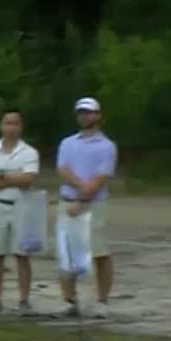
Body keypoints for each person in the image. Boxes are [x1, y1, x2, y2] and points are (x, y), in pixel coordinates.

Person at [57, 97, 119, 317]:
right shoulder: (67, 143)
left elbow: (101, 177)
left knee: (99, 251)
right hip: (68, 201)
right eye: (81, 113)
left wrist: (81, 198)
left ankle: (102, 300)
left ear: (98, 115)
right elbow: (63, 170)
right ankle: (70, 300)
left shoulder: (107, 146)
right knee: (67, 251)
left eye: (88, 112)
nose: (84, 116)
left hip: (94, 204)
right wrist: (78, 190)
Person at [0, 107, 39, 315]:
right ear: (1, 125)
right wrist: (13, 178)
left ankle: (24, 299)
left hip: (21, 207)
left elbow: (28, 179)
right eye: (7, 123)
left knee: (22, 254)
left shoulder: (29, 153)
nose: (11, 127)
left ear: (21, 127)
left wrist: (2, 177)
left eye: (15, 123)